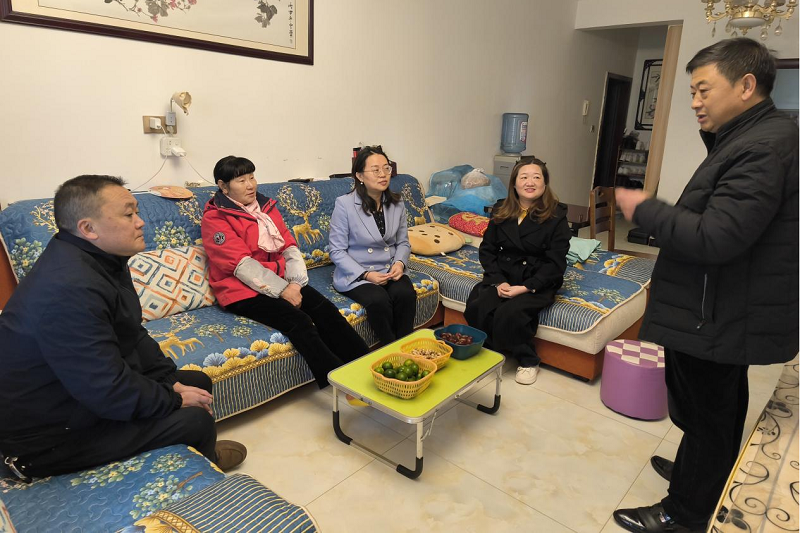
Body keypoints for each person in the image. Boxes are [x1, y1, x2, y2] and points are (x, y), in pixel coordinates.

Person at [613, 38, 798, 533]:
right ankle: (703, 475)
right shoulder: (755, 135)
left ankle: (684, 512)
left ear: (746, 85)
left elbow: (716, 237)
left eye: (702, 90)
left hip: (716, 310)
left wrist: (646, 209)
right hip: (722, 305)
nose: (694, 102)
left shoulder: (762, 146)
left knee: (706, 413)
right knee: (715, 409)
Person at [0, 175, 247, 481]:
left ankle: (196, 452)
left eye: (137, 212)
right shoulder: (68, 289)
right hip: (48, 437)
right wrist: (172, 399)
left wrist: (168, 381)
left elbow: (132, 332)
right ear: (88, 228)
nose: (141, 222)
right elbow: (105, 389)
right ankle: (203, 469)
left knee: (195, 381)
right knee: (194, 419)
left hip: (78, 396)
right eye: (129, 215)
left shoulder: (101, 258)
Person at [201, 156, 369, 388]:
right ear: (223, 186)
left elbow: (289, 246)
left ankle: (366, 367)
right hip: (241, 291)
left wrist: (296, 283)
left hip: (279, 281)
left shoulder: (265, 207)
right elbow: (242, 265)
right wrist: (283, 290)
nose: (250, 185)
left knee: (325, 309)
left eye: (252, 177)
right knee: (299, 321)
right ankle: (340, 383)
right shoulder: (215, 218)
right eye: (241, 180)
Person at [464, 157, 572, 385]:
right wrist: (498, 281)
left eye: (536, 177)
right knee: (478, 304)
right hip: (504, 275)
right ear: (514, 183)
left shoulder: (556, 216)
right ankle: (490, 351)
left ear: (544, 183)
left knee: (511, 312)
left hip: (538, 279)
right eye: (523, 177)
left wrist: (526, 287)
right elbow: (488, 250)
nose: (529, 182)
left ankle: (529, 360)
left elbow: (556, 263)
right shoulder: (501, 209)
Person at [328, 146, 416, 345]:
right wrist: (366, 274)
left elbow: (403, 242)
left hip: (389, 268)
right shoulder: (345, 205)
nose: (383, 174)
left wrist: (399, 263)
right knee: (378, 300)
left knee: (405, 293)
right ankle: (390, 350)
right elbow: (337, 250)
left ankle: (406, 346)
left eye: (386, 168)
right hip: (358, 272)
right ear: (360, 175)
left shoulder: (397, 203)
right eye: (375, 170)